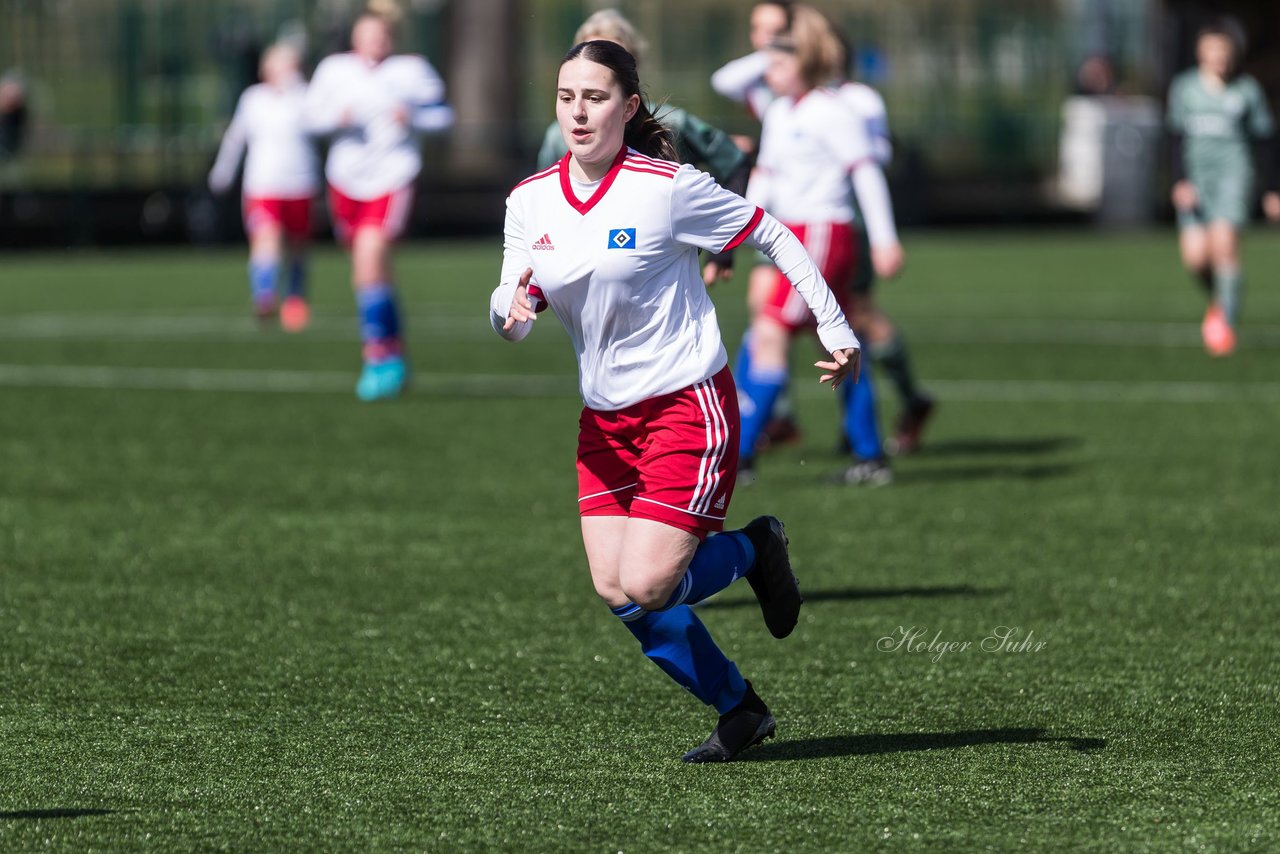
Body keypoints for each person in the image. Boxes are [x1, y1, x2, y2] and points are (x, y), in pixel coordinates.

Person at [490, 40, 860, 762]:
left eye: (595, 97)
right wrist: (508, 312)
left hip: (687, 404)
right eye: (567, 97)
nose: (578, 111)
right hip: (604, 422)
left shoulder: (666, 186)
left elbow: (773, 235)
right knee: (616, 589)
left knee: (653, 583)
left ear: (628, 108)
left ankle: (757, 548)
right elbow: (513, 292)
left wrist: (835, 324)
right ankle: (740, 709)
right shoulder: (529, 199)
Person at [716, 3, 933, 458]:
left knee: (770, 330)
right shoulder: (781, 113)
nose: (767, 72)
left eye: (778, 63)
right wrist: (733, 229)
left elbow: (866, 172)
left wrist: (885, 238)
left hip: (821, 232)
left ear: (807, 63)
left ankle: (739, 454)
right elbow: (768, 179)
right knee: (838, 341)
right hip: (795, 231)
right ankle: (869, 453)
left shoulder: (831, 111)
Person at [536, 8, 750, 288]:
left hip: (665, 270)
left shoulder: (672, 123)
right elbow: (543, 204)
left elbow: (734, 162)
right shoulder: (559, 135)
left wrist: (722, 248)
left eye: (610, 54)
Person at [306, 5, 454, 400]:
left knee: (371, 257)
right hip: (344, 180)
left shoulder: (412, 70)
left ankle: (377, 359)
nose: (375, 41)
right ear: (356, 36)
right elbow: (309, 118)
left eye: (381, 34)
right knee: (369, 272)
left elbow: (444, 117)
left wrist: (415, 118)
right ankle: (395, 353)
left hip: (392, 177)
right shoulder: (334, 70)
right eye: (368, 33)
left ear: (392, 37)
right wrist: (338, 118)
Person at [1167, 21, 1280, 357]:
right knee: (1196, 257)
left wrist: (1273, 189)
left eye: (1224, 51)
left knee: (1225, 246)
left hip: (1235, 177)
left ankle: (1225, 324)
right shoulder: (1184, 88)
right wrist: (1179, 180)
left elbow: (1265, 141)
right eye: (1212, 49)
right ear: (1201, 52)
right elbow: (1174, 138)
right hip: (1196, 182)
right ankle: (1221, 299)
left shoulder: (1246, 91)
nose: (1219, 57)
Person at [208, 43, 318, 331]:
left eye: (290, 64)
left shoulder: (306, 97)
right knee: (266, 238)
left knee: (297, 247)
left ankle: (295, 300)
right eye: (279, 64)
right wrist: (223, 172)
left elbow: (322, 124)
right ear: (265, 69)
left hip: (301, 184)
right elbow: (236, 138)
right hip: (263, 185)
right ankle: (265, 297)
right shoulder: (253, 99)